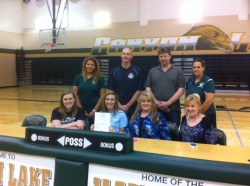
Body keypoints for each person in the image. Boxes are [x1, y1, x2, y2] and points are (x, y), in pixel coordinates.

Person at [145, 47, 185, 127]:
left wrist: (168, 103)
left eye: (165, 56)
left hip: (173, 110)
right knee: (155, 133)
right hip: (155, 109)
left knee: (173, 134)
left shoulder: (178, 71)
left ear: (170, 56)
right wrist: (157, 103)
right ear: (158, 58)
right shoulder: (152, 71)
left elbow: (181, 89)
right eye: (161, 56)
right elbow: (148, 88)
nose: (163, 58)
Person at [106, 48, 144, 120]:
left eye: (128, 54)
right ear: (121, 56)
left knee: (131, 130)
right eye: (124, 54)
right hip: (116, 108)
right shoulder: (114, 71)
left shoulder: (137, 71)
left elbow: (139, 91)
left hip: (133, 109)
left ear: (131, 56)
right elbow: (110, 91)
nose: (125, 56)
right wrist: (119, 106)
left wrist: (128, 106)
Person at [73, 56, 106, 125]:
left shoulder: (100, 79)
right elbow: (75, 94)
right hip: (81, 109)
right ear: (85, 65)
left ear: (95, 66)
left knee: (95, 130)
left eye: (92, 65)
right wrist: (82, 110)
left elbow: (103, 95)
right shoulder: (78, 77)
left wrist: (94, 110)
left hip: (96, 110)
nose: (90, 66)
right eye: (88, 64)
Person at [185, 58, 217, 128]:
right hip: (192, 114)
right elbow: (187, 97)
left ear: (203, 68)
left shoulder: (208, 81)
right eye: (194, 67)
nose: (196, 69)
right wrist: (189, 111)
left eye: (198, 67)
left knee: (208, 136)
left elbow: (209, 101)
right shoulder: (189, 80)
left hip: (207, 115)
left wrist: (197, 113)